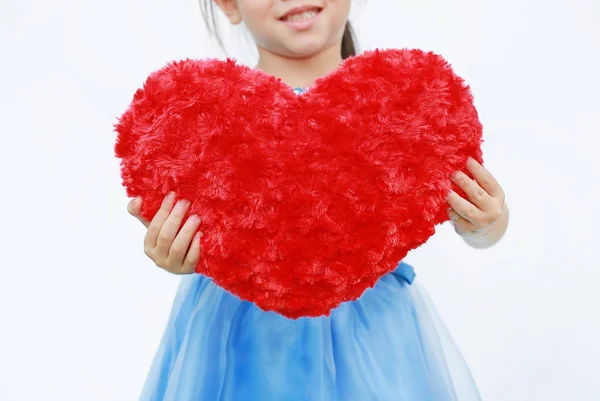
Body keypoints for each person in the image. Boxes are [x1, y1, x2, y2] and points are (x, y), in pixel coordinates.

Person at [127, 1, 510, 399]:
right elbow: (190, 219)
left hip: (372, 330)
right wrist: (179, 253)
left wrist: (484, 223)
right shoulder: (206, 118)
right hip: (240, 334)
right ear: (229, 4)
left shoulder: (402, 110)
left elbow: (470, 209)